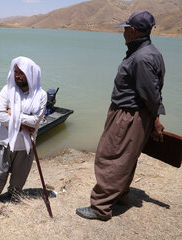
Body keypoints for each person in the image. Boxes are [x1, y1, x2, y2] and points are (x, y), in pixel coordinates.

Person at [76, 11, 166, 221]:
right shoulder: (148, 52)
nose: (123, 33)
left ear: (133, 31)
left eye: (125, 29)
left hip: (128, 115)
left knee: (110, 157)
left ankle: (101, 207)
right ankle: (120, 195)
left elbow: (151, 95)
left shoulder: (142, 57)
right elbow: (153, 92)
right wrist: (154, 118)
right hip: (131, 114)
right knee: (126, 157)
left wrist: (155, 119)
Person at [0, 56, 47, 211]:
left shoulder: (41, 95)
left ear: (30, 74)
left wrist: (13, 113)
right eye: (15, 72)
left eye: (21, 72)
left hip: (26, 144)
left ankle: (13, 195)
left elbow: (36, 121)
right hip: (5, 141)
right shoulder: (7, 90)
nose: (17, 75)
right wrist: (23, 125)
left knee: (20, 175)